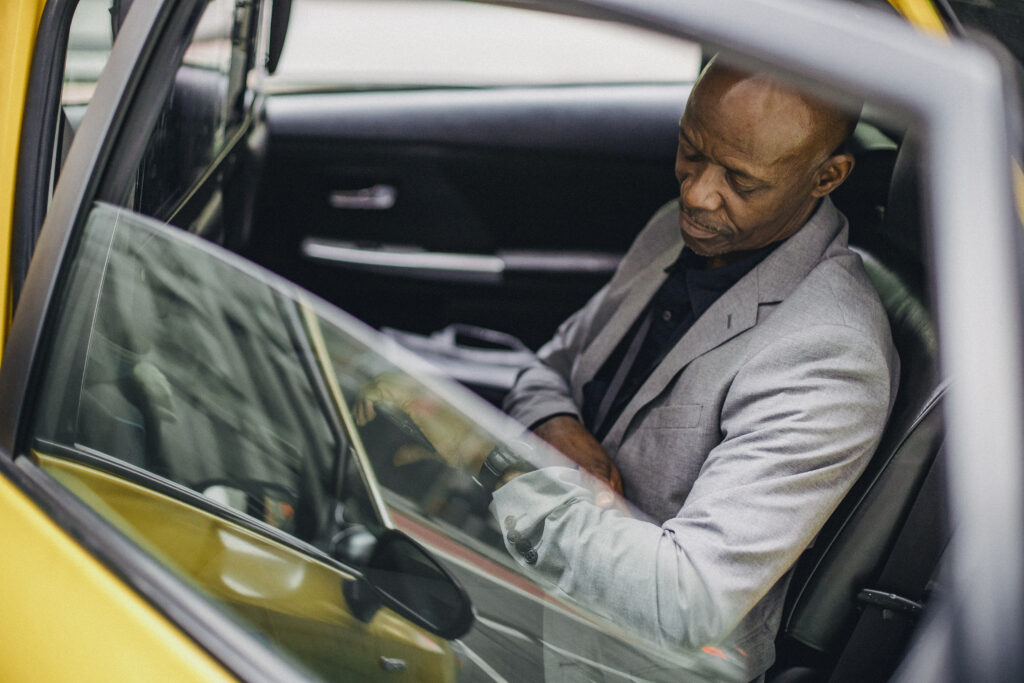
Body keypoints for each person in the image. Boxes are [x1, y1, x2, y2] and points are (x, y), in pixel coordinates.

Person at [486, 59, 900, 678]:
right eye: (689, 151)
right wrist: (556, 427)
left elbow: (684, 599)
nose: (697, 193)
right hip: (531, 594)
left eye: (741, 179)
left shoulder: (831, 352)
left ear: (828, 176)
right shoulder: (677, 230)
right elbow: (554, 363)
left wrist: (503, 472)